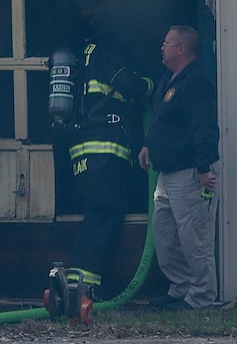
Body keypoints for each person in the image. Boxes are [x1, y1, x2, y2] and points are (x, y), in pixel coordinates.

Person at [52, 37, 153, 311]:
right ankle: (84, 288)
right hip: (104, 153)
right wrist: (150, 83)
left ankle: (77, 286)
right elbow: (128, 85)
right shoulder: (108, 52)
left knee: (97, 215)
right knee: (104, 215)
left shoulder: (79, 59)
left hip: (83, 153)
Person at [138, 24, 222, 311]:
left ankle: (200, 297)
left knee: (194, 238)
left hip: (189, 173)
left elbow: (205, 128)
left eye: (167, 43)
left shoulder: (196, 81)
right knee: (164, 235)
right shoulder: (170, 78)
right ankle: (180, 288)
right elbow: (163, 118)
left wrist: (203, 167)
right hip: (165, 173)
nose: (162, 47)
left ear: (181, 49)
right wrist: (149, 144)